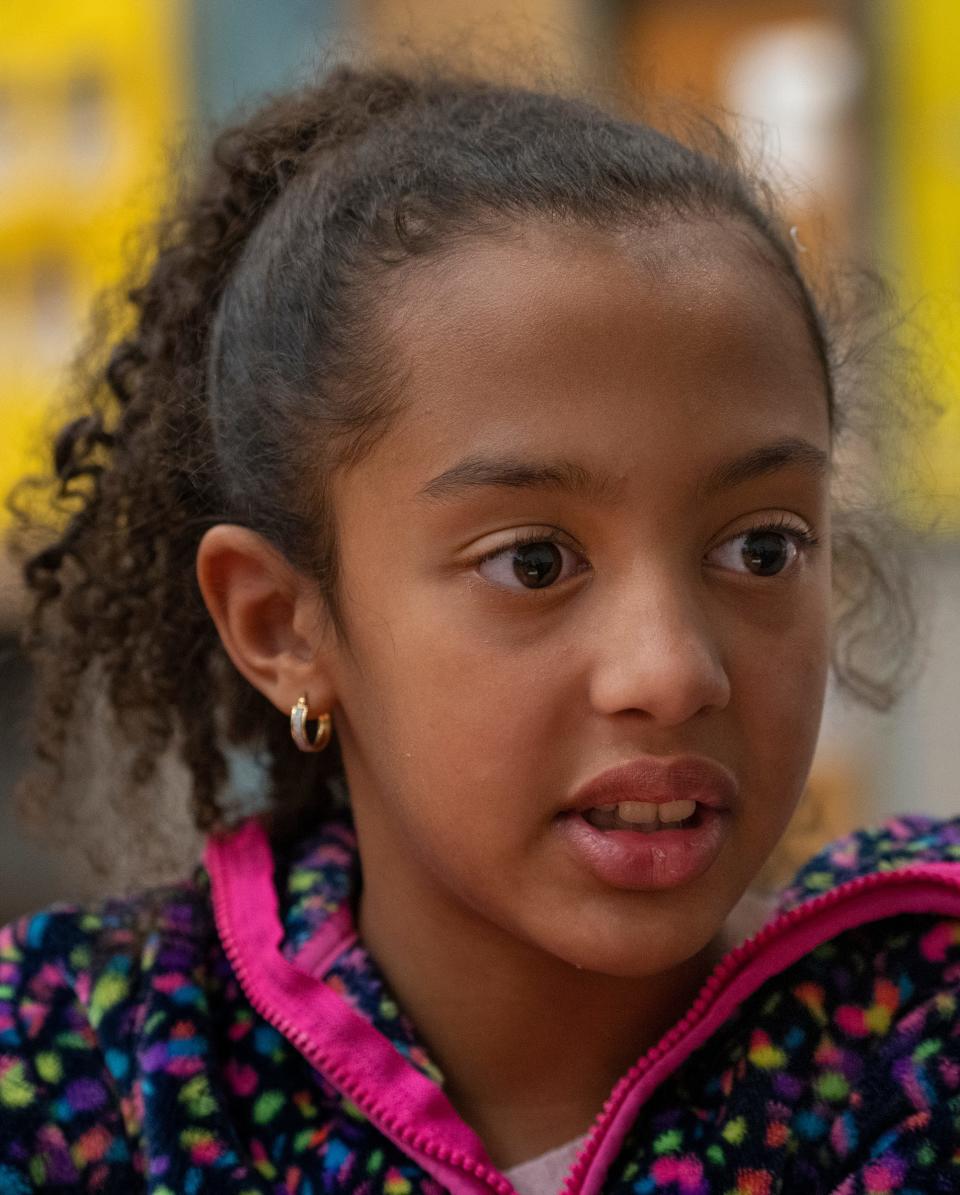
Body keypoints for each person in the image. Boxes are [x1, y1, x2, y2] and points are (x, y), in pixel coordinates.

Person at [1, 59, 958, 1195]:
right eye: (534, 562)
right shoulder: (80, 1070)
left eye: (761, 548)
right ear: (282, 625)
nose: (671, 670)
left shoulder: (923, 1039)